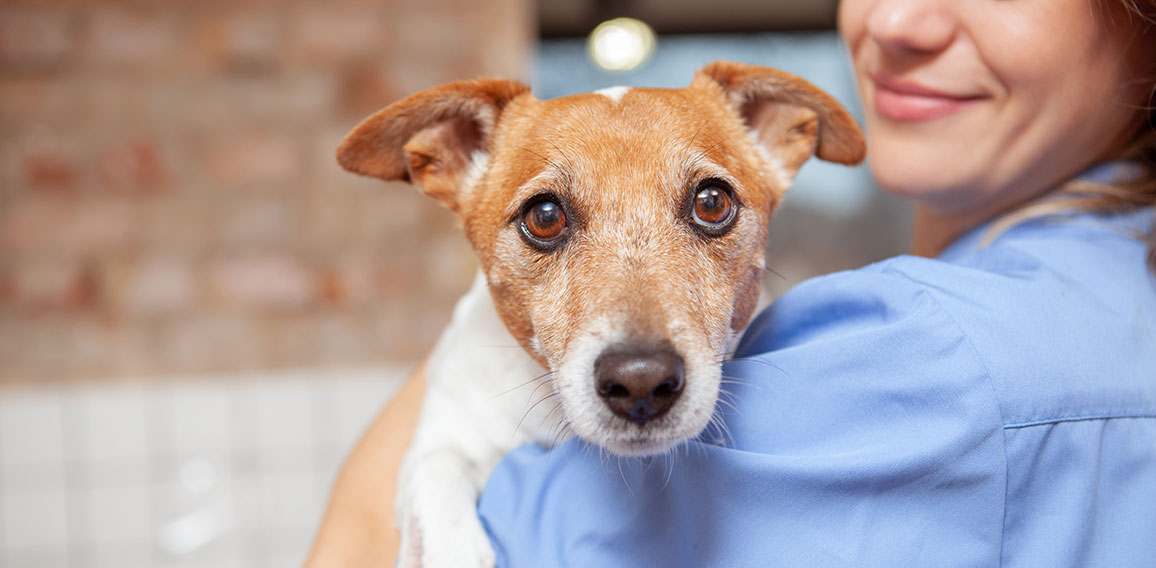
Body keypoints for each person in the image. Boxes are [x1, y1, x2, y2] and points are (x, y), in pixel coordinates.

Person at [307, 0, 1156, 565]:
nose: (898, 20)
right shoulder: (1110, 289)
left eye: (708, 206)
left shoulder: (932, 358)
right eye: (548, 219)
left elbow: (352, 547)